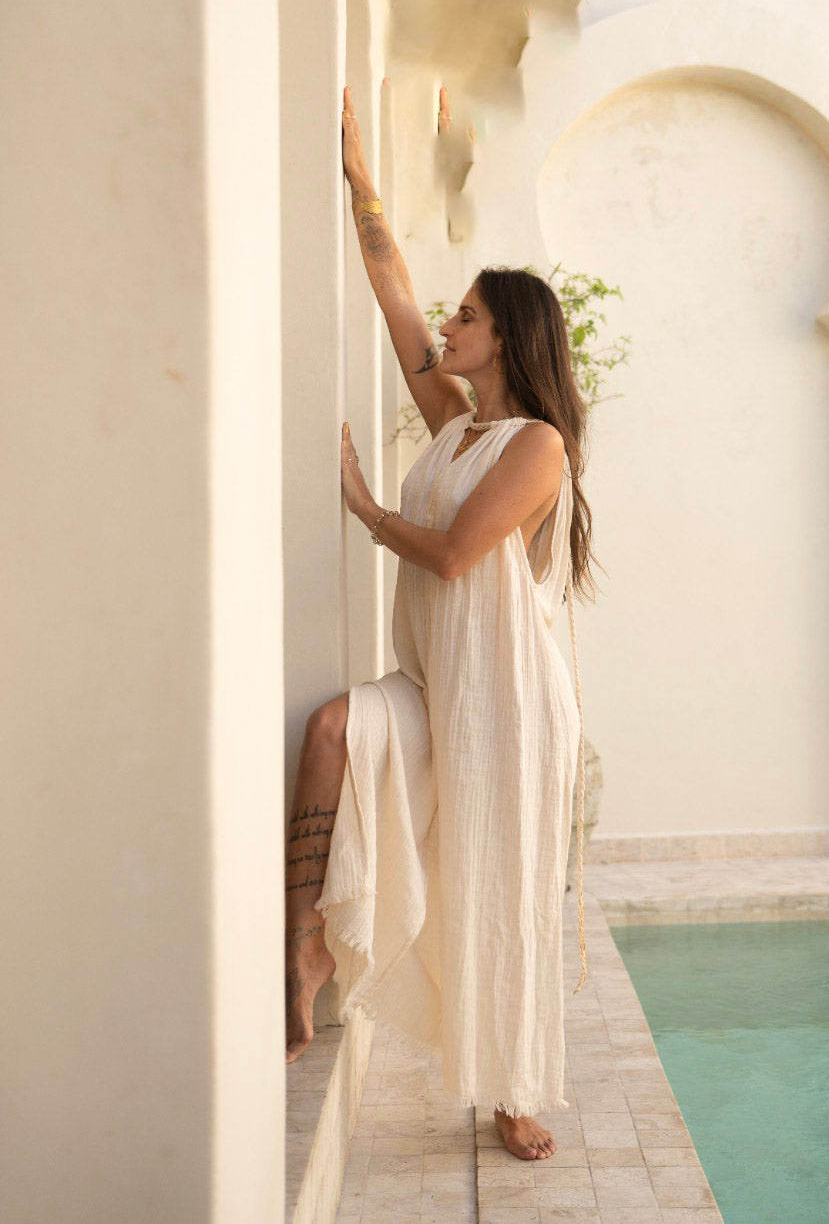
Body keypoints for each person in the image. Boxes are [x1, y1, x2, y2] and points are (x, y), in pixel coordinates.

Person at [284, 85, 598, 1162]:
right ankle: (306, 952)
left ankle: (510, 1091)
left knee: (501, 891)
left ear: (505, 335)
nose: (449, 327)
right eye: (456, 313)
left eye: (468, 316)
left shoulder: (535, 447)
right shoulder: (456, 426)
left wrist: (368, 507)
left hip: (506, 710)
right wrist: (359, 176)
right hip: (435, 688)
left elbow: (461, 557)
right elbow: (392, 292)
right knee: (333, 732)